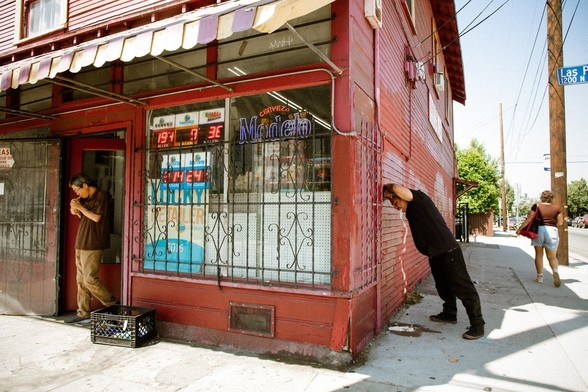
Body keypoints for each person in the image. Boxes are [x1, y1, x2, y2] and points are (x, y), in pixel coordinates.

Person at [383, 183, 485, 340]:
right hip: (436, 254)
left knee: (463, 288)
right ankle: (449, 313)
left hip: (448, 252)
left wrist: (387, 189)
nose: (395, 206)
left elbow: (395, 188)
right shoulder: (411, 209)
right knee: (443, 287)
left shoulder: (419, 199)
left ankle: (477, 325)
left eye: (395, 202)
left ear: (402, 197)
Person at [66, 173, 117, 323]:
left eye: (77, 190)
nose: (77, 193)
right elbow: (85, 217)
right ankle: (83, 312)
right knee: (80, 280)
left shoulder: (101, 195)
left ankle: (112, 303)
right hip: (81, 241)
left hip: (93, 243)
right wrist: (75, 210)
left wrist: (80, 207)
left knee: (89, 279)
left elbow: (96, 218)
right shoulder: (85, 198)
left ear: (85, 185)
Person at [516, 190, 563, 287]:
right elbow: (560, 223)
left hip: (539, 230)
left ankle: (540, 277)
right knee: (552, 256)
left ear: (542, 197)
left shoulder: (536, 206)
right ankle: (555, 271)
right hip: (552, 231)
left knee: (539, 254)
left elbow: (529, 219)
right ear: (552, 198)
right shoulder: (557, 209)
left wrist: (520, 229)